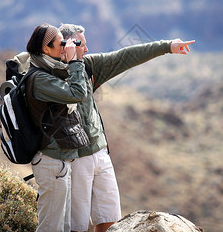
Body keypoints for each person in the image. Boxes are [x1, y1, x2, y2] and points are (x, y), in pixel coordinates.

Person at [58, 23, 195, 232]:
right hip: (76, 159)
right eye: (81, 45)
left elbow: (126, 56)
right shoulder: (52, 75)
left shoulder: (89, 65)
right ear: (66, 45)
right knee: (78, 225)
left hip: (100, 153)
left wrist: (167, 46)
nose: (86, 49)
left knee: (110, 219)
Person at [23, 23, 90, 232]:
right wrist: (76, 62)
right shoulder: (40, 79)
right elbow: (78, 93)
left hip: (59, 162)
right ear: (45, 49)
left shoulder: (49, 71)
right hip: (51, 162)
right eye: (60, 43)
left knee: (63, 227)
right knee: (51, 228)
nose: (65, 46)